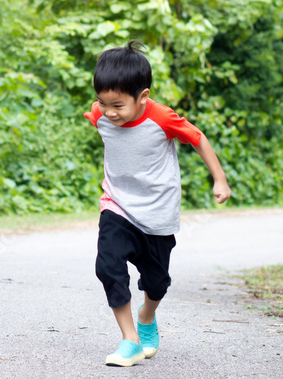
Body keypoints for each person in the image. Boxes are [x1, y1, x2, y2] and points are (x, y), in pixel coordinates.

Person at [83, 41, 231, 367]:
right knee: (107, 266)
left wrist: (219, 179)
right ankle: (130, 340)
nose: (109, 113)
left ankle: (146, 316)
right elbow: (101, 117)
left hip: (158, 214)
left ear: (144, 97)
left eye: (118, 105)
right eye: (103, 103)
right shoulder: (100, 114)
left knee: (156, 282)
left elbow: (198, 138)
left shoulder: (162, 117)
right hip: (117, 206)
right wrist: (108, 112)